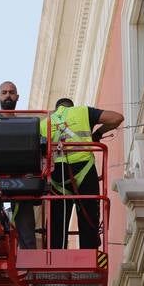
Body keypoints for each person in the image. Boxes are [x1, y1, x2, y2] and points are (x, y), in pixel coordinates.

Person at [40, 98, 123, 248]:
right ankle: (89, 252)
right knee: (88, 215)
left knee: (57, 222)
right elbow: (117, 118)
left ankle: (55, 256)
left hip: (57, 176)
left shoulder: (44, 123)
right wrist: (97, 135)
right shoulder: (82, 111)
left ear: (56, 109)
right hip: (84, 168)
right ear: (72, 107)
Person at [0, 81, 37, 249]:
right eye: (4, 92)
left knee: (26, 222)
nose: (8, 95)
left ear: (17, 97)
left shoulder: (26, 125)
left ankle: (30, 256)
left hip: (21, 179)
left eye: (11, 92)